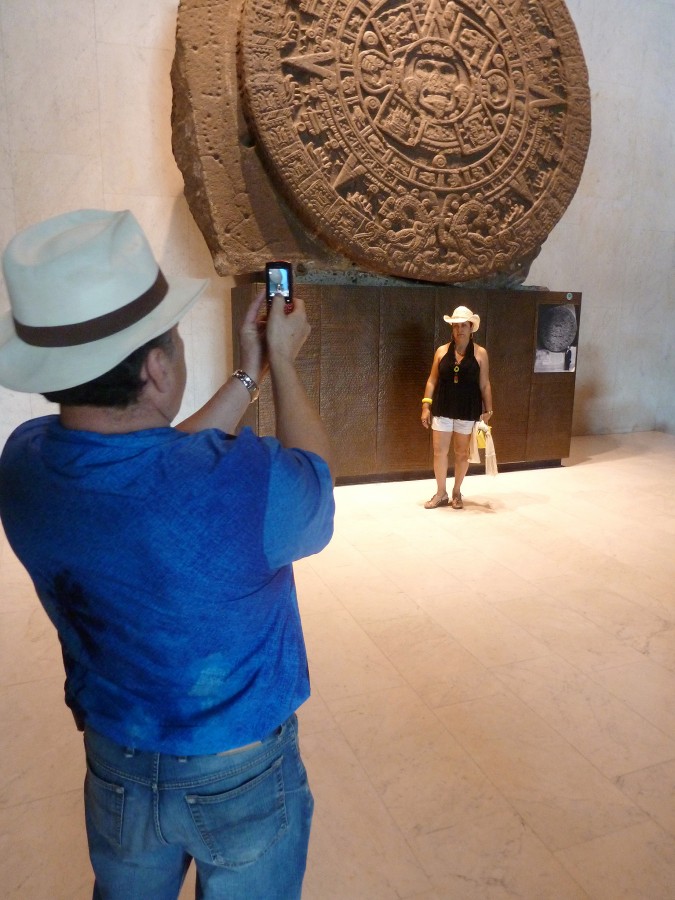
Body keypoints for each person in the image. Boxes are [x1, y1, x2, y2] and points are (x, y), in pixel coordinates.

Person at [0, 209, 335, 900]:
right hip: (238, 771)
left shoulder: (25, 463)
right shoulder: (242, 483)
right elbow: (316, 490)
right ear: (157, 369)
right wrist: (283, 368)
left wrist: (245, 376)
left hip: (116, 761)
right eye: (176, 344)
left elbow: (152, 464)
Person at [420, 305, 492, 509]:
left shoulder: (480, 353)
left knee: (462, 453)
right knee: (439, 451)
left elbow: (485, 383)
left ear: (471, 328)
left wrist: (489, 410)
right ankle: (441, 492)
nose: (459, 330)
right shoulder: (442, 351)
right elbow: (432, 380)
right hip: (442, 407)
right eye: (456, 326)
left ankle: (457, 491)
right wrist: (426, 406)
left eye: (463, 326)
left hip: (467, 410)